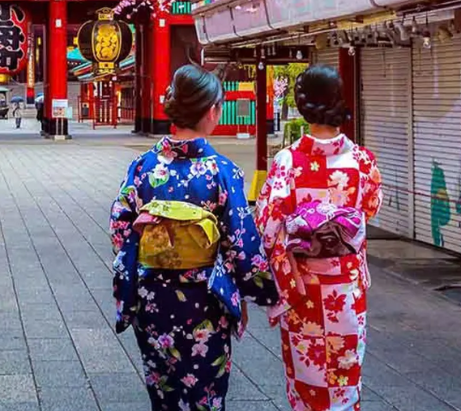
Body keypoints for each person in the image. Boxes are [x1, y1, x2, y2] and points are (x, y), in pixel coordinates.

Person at [110, 65, 278, 411]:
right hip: (205, 297)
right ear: (212, 110)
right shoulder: (222, 170)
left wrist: (151, 252)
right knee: (207, 394)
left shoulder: (143, 166)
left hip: (152, 294)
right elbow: (240, 240)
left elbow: (120, 226)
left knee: (164, 391)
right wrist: (255, 290)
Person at [256, 65, 383, 411]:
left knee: (306, 382)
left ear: (301, 105)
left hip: (304, 289)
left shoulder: (287, 161)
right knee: (344, 379)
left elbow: (267, 226)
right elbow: (369, 209)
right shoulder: (361, 161)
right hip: (345, 288)